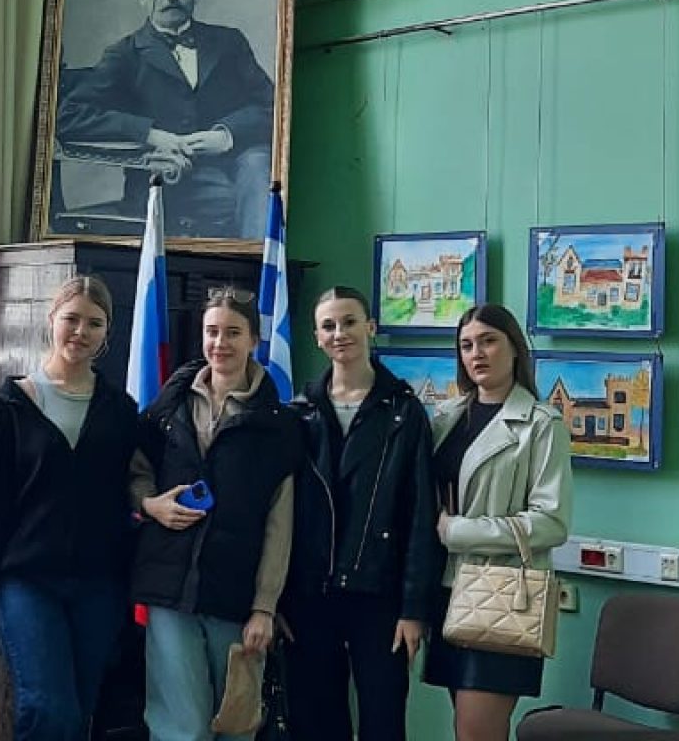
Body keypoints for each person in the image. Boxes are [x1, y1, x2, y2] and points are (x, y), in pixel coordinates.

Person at [0, 275, 138, 741]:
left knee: (81, 711)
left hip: (99, 586)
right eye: (72, 319)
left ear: (106, 334)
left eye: (94, 323)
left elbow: (138, 483)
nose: (81, 331)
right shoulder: (10, 407)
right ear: (52, 320)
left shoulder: (121, 410)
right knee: (49, 709)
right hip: (27, 583)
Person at [129, 287, 302, 741]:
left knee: (236, 725)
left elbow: (280, 523)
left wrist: (264, 607)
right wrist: (149, 504)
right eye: (211, 331)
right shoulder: (171, 403)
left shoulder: (279, 425)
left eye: (233, 332)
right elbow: (136, 469)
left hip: (236, 595)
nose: (220, 343)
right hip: (170, 587)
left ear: (254, 340)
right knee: (181, 728)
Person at [281, 286, 442, 741]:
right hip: (310, 596)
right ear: (316, 337)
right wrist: (275, 599)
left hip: (381, 598)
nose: (340, 333)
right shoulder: (299, 413)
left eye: (349, 322)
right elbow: (280, 515)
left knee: (383, 722)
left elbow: (420, 517)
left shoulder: (404, 413)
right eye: (329, 326)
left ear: (370, 327)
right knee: (315, 724)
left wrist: (414, 610)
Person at [424, 303, 572, 741]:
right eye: (467, 345)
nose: (477, 354)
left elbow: (551, 522)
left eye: (489, 341)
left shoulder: (542, 424)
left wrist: (458, 532)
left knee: (477, 732)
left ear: (514, 349)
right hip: (447, 590)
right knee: (464, 727)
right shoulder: (446, 417)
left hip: (503, 592)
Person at [55, 0, 274, 239]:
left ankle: (259, 261)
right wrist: (150, 134)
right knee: (252, 196)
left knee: (257, 164)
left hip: (235, 166)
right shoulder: (125, 54)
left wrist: (225, 135)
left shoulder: (228, 42)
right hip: (166, 175)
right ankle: (259, 257)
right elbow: (68, 116)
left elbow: (273, 107)